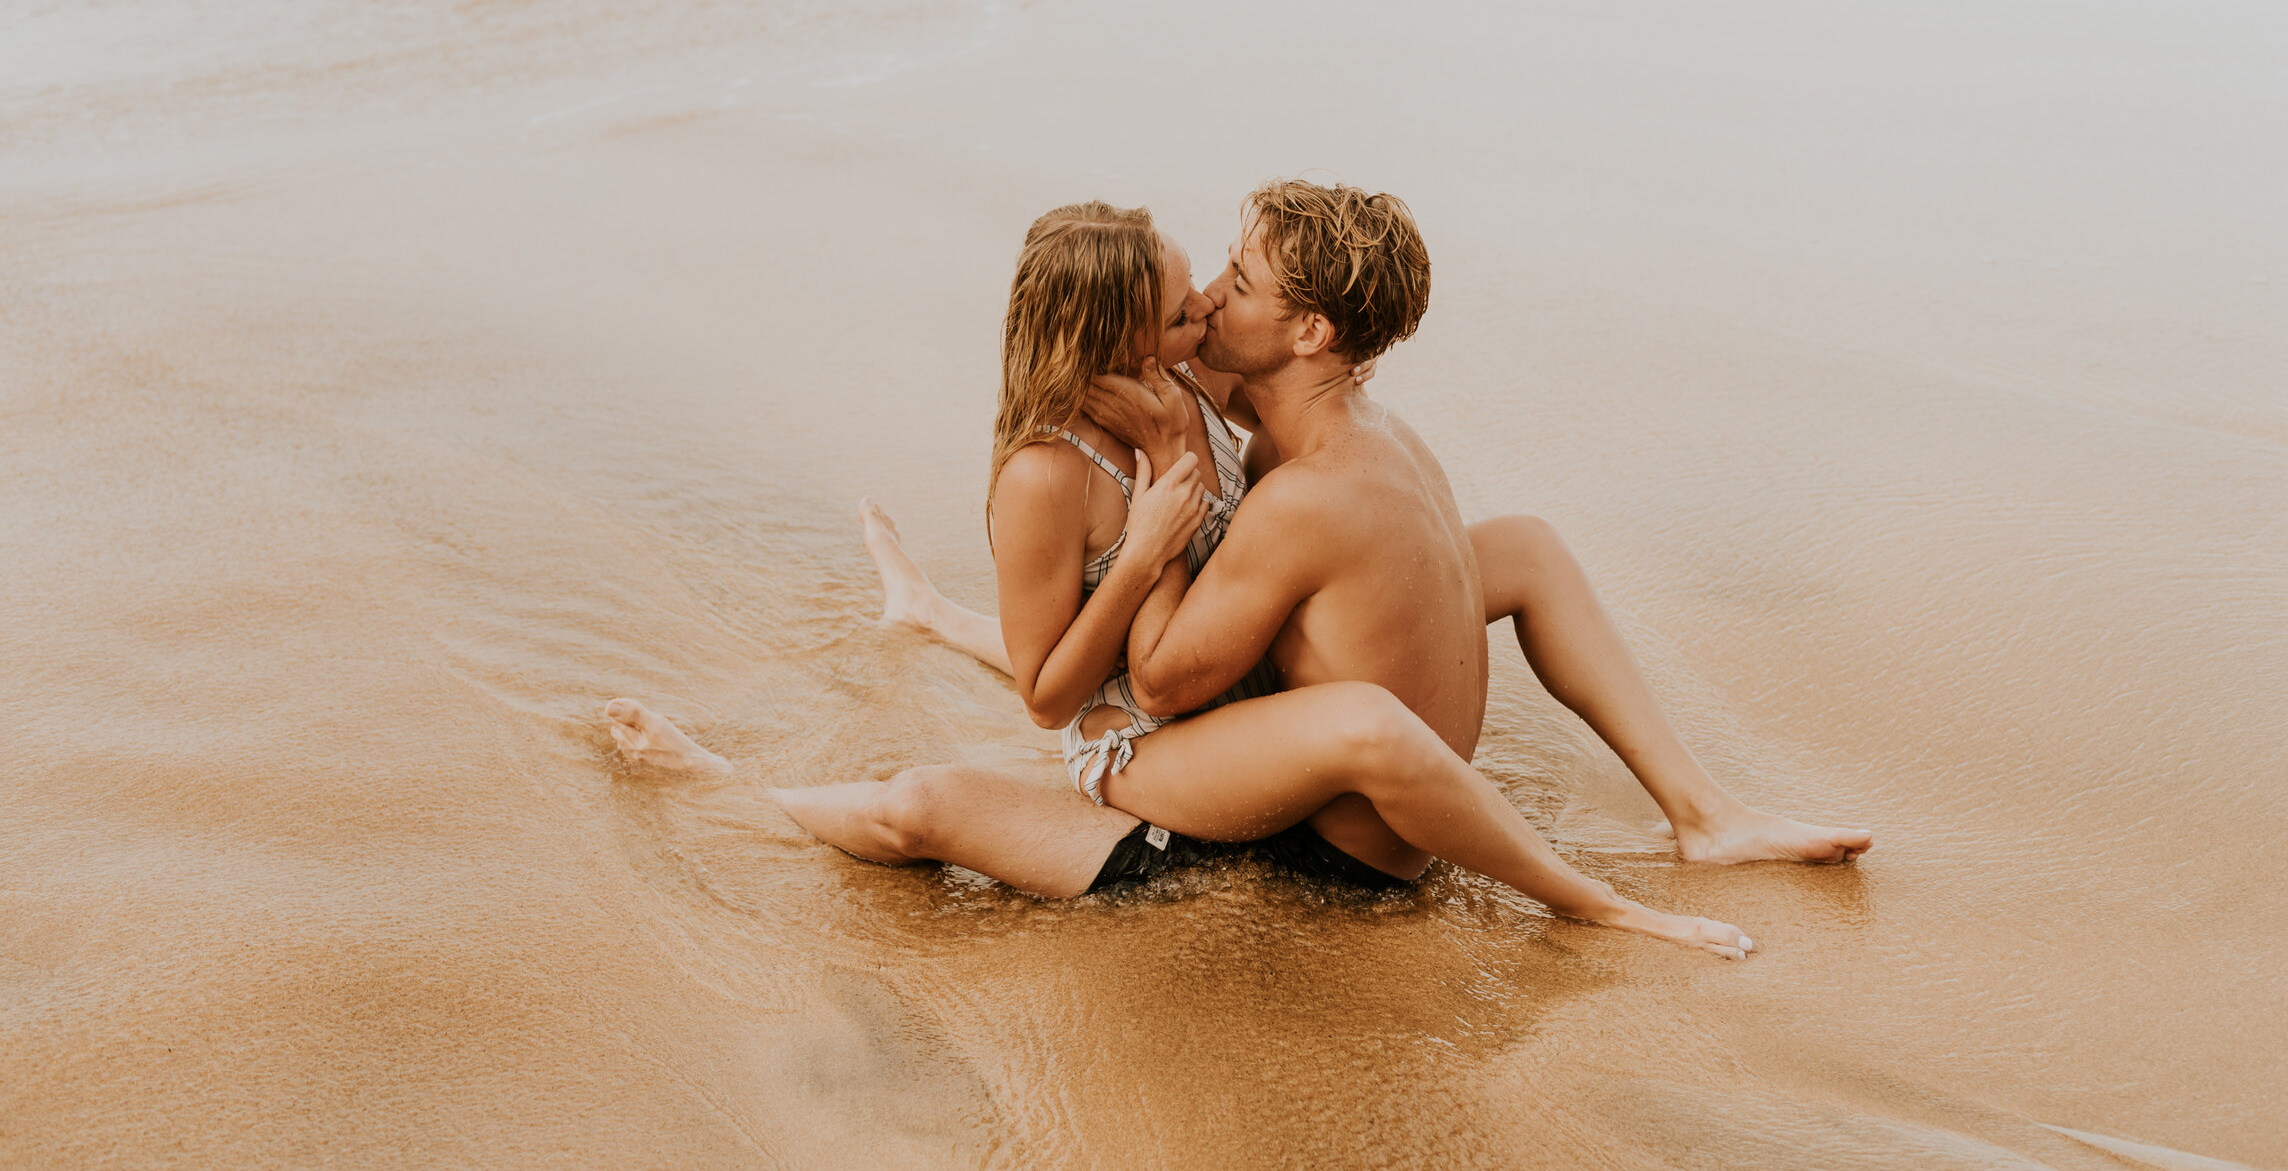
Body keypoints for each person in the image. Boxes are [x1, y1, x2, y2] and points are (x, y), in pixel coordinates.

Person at [609, 185, 1870, 955]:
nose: (1210, 301)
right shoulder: (1078, 463)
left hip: (1219, 717)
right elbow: (1098, 692)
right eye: (1187, 298)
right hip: (1162, 751)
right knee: (925, 803)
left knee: (1514, 544)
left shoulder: (1205, 395)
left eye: (1227, 282)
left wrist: (1175, 477)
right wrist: (1161, 519)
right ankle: (725, 782)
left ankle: (1703, 817)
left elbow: (1168, 655)